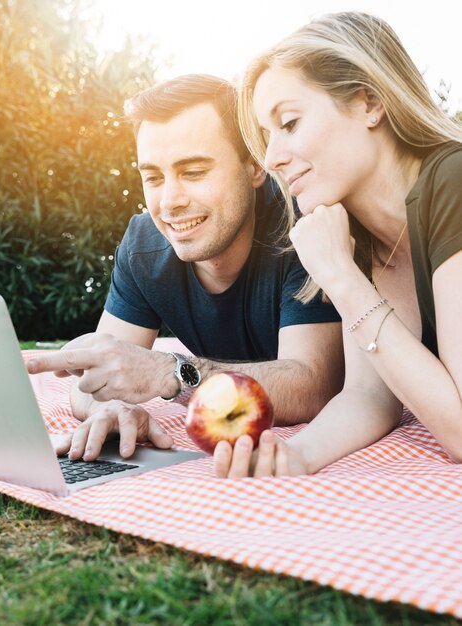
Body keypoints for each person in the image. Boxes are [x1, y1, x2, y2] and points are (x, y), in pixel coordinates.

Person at [28, 74, 343, 462]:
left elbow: (313, 386)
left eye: (193, 172)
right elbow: (95, 376)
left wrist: (173, 372)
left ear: (255, 167)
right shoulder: (144, 247)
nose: (170, 201)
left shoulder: (300, 228)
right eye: (154, 178)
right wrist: (110, 408)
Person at [218, 10, 462, 478]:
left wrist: (341, 278)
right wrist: (297, 456)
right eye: (267, 136)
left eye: (288, 122)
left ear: (369, 102)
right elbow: (370, 396)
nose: (271, 159)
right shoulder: (364, 235)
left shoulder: (452, 183)